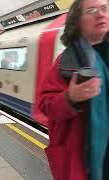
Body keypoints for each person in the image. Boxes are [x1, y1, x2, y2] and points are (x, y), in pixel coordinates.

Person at [37, 0, 109, 179]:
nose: (100, 14)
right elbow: (45, 105)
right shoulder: (66, 61)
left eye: (105, 8)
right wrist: (71, 97)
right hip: (83, 162)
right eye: (91, 10)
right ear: (77, 22)